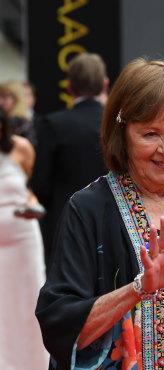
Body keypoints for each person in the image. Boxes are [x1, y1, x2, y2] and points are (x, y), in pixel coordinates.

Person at [35, 58, 164, 370]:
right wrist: (138, 289)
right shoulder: (89, 209)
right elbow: (58, 323)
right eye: (150, 133)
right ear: (121, 134)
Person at [31, 53, 109, 266]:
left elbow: (40, 184)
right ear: (105, 84)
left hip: (64, 224)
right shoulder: (119, 124)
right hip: (113, 221)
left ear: (68, 87)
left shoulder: (52, 124)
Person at [0, 107, 48, 370]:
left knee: (29, 307)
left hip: (23, 241)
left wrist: (31, 205)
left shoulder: (22, 149)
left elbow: (28, 188)